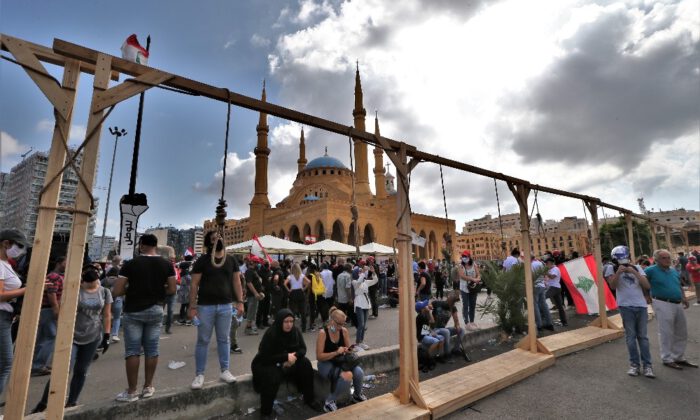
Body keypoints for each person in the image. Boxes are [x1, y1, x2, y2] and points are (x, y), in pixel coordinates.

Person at [31, 267, 112, 412]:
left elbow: (106, 314)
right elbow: (63, 308)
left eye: (94, 283)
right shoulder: (74, 291)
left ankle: (72, 402)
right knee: (62, 370)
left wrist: (106, 335)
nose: (93, 286)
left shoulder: (105, 292)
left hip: (93, 335)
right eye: (89, 284)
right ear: (83, 282)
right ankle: (44, 403)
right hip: (72, 335)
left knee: (81, 370)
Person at [113, 234, 177, 402]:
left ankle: (131, 391)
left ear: (141, 245)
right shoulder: (167, 265)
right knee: (152, 350)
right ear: (156, 246)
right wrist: (156, 290)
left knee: (133, 351)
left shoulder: (130, 264)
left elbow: (117, 291)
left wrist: (134, 289)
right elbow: (172, 289)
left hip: (133, 311)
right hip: (156, 309)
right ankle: (148, 387)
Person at [189, 231, 245, 389]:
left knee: (224, 339)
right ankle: (199, 374)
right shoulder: (203, 260)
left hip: (226, 306)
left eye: (219, 237)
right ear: (208, 243)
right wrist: (192, 307)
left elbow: (237, 282)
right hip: (205, 306)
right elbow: (194, 285)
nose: (217, 240)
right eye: (213, 239)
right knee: (203, 341)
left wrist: (240, 302)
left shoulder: (231, 260)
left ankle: (225, 370)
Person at [251, 309, 315, 418]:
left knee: (306, 364)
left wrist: (292, 358)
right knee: (272, 376)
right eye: (286, 322)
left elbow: (303, 349)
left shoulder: (295, 331)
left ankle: (309, 399)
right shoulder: (271, 333)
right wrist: (284, 358)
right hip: (266, 363)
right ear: (280, 321)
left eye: (291, 321)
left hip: (288, 361)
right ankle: (265, 412)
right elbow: (265, 357)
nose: (289, 325)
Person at [644, 249, 697, 370]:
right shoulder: (650, 270)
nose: (667, 260)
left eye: (668, 257)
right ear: (656, 259)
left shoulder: (673, 270)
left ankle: (678, 356)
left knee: (681, 331)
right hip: (662, 302)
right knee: (666, 331)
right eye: (664, 258)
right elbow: (642, 282)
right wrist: (646, 295)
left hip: (677, 303)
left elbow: (678, 284)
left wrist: (683, 297)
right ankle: (667, 358)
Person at [607, 246, 654, 378]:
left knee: (643, 337)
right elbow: (612, 286)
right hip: (625, 306)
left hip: (640, 305)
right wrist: (618, 273)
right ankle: (634, 365)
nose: (623, 260)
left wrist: (634, 272)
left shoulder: (637, 267)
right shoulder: (611, 268)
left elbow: (646, 285)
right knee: (630, 337)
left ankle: (648, 366)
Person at [316, 307, 366, 412]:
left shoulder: (344, 331)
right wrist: (336, 352)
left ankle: (357, 395)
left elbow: (348, 351)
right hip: (326, 363)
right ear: (331, 320)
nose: (341, 327)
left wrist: (349, 350)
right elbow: (319, 356)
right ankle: (329, 402)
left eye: (343, 324)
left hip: (340, 361)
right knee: (345, 378)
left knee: (359, 372)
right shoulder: (323, 333)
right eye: (339, 324)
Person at [0, 229, 28, 397]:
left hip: (5, 317)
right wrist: (27, 289)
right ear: (6, 243)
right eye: (19, 246)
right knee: (5, 363)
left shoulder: (6, 264)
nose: (21, 250)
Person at [31, 255, 65, 376]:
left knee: (44, 337)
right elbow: (52, 294)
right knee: (49, 336)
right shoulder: (54, 276)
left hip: (48, 310)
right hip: (48, 310)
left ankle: (36, 364)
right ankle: (38, 366)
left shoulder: (59, 276)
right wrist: (56, 310)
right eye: (66, 261)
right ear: (59, 262)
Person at [431, 291, 465, 360]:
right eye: (452, 301)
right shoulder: (437, 303)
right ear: (448, 298)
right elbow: (427, 308)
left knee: (462, 330)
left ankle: (456, 349)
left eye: (454, 302)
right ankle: (447, 354)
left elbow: (456, 321)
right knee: (446, 331)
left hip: (443, 329)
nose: (452, 303)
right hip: (434, 329)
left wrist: (457, 326)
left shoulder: (453, 308)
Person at [352, 264, 378, 350]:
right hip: (359, 304)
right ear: (356, 273)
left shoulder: (365, 282)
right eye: (359, 272)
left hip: (366, 304)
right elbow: (358, 282)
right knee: (361, 324)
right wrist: (363, 272)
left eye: (361, 271)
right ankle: (357, 342)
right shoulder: (354, 282)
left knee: (364, 325)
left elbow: (375, 280)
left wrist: (373, 272)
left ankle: (361, 341)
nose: (361, 273)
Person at [458, 251, 481, 330]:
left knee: (472, 305)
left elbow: (478, 273)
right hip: (464, 288)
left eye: (466, 256)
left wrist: (478, 278)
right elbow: (462, 276)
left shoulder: (474, 264)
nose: (464, 258)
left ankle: (472, 321)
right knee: (466, 305)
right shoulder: (461, 266)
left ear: (469, 257)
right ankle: (467, 323)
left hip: (472, 288)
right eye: (463, 256)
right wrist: (472, 279)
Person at [102, 255, 123, 342]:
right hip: (117, 299)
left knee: (106, 316)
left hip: (106, 300)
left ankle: (105, 334)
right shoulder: (119, 280)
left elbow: (98, 286)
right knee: (117, 317)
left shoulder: (105, 280)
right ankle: (115, 335)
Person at [284, 263, 309, 332]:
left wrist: (289, 290)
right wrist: (303, 289)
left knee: (292, 312)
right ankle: (304, 328)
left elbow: (284, 283)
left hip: (293, 293)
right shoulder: (302, 275)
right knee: (303, 312)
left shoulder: (290, 276)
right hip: (301, 293)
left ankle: (292, 328)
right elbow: (308, 282)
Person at [531, 256, 554, 332]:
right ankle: (549, 324)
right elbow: (545, 273)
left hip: (535, 286)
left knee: (536, 306)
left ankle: (539, 325)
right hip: (542, 286)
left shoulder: (530, 265)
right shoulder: (540, 263)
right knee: (544, 305)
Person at [544, 256, 567, 327]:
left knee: (542, 298)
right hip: (553, 288)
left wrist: (545, 272)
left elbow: (552, 277)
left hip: (554, 287)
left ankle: (545, 320)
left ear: (551, 263)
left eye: (547, 263)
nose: (546, 265)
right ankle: (564, 322)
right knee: (559, 306)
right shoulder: (550, 269)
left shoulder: (555, 269)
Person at [243, 258, 265, 335]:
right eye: (257, 263)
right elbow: (249, 283)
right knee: (251, 311)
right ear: (253, 263)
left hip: (255, 295)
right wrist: (255, 293)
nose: (259, 265)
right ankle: (248, 329)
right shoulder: (249, 271)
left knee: (253, 311)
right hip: (252, 295)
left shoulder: (253, 271)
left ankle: (250, 327)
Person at [175, 255, 194, 326]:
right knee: (188, 306)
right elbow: (191, 282)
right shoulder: (187, 275)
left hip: (183, 292)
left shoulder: (182, 273)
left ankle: (182, 320)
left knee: (183, 306)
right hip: (187, 292)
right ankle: (188, 320)